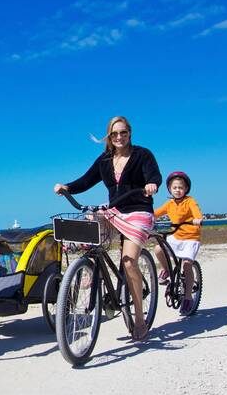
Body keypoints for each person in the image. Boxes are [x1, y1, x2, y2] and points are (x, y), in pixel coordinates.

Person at [53, 115, 162, 341]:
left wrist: (152, 184)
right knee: (91, 228)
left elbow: (154, 175)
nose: (119, 137)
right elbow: (86, 180)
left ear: (129, 133)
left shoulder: (142, 154)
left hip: (139, 211)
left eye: (123, 132)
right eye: (115, 134)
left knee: (129, 260)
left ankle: (139, 319)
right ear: (109, 137)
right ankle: (90, 269)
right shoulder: (104, 160)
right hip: (114, 210)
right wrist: (67, 187)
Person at [153, 171, 203, 316]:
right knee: (158, 248)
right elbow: (156, 213)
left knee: (187, 264)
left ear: (186, 188)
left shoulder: (190, 201)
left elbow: (197, 212)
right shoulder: (169, 204)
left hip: (190, 238)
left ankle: (188, 297)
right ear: (169, 189)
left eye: (181, 187)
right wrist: (147, 215)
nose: (177, 190)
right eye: (174, 187)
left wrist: (197, 219)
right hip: (176, 236)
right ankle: (166, 270)